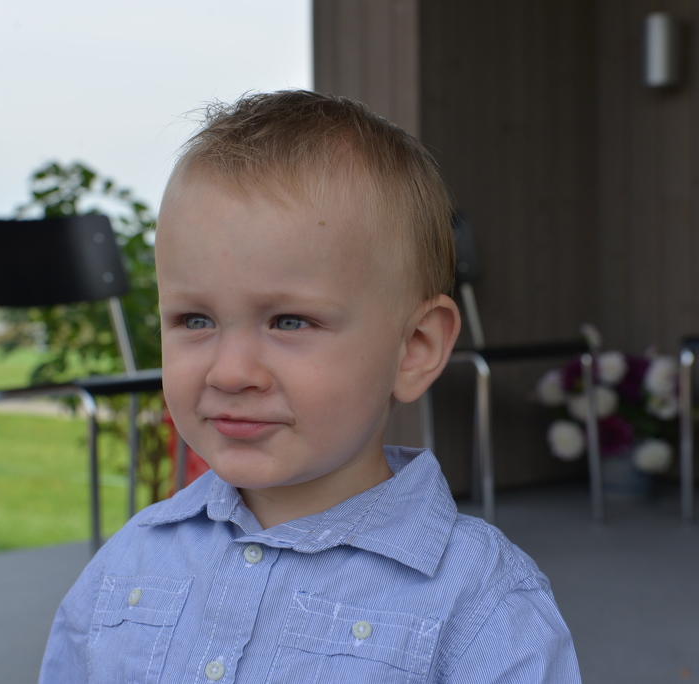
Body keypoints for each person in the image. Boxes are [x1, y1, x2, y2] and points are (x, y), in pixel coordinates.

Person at [39, 90, 581, 683]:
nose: (230, 372)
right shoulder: (128, 566)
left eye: (290, 322)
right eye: (195, 320)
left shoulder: (478, 608)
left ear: (415, 348)